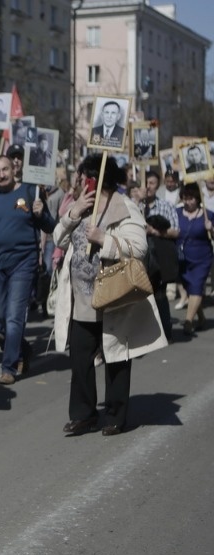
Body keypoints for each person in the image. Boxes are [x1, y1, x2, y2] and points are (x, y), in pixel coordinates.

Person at [53, 153, 166, 436]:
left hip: (112, 297)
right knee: (80, 360)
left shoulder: (124, 206)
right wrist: (72, 214)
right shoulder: (81, 205)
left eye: (83, 178)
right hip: (81, 299)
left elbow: (138, 248)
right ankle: (83, 415)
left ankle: (116, 415)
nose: (79, 183)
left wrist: (104, 240)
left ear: (95, 179)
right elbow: (58, 239)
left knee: (116, 358)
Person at [0, 155, 55, 384]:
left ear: (14, 169)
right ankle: (25, 349)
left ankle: (8, 367)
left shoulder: (30, 192)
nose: (1, 175)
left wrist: (41, 214)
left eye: (5, 169)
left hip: (24, 263)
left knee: (14, 317)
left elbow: (50, 226)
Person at [141, 170, 179, 341]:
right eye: (146, 183)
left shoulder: (165, 206)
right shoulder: (134, 205)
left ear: (158, 186)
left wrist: (154, 231)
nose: (148, 187)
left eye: (152, 183)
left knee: (160, 295)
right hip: (139, 257)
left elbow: (175, 231)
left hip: (158, 258)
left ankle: (165, 331)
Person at [176, 182, 214, 336]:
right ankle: (202, 319)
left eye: (191, 198)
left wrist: (210, 228)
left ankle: (188, 322)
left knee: (196, 287)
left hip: (202, 259)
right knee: (190, 288)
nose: (187, 201)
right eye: (185, 198)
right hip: (182, 258)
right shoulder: (176, 212)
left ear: (198, 199)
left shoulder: (208, 214)